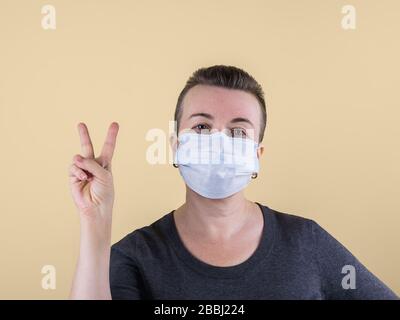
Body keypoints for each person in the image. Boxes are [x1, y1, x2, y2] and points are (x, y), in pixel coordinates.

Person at [68, 65, 398, 299]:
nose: (220, 141)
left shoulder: (305, 241)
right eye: (201, 127)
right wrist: (95, 222)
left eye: (238, 131)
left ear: (258, 155)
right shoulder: (137, 256)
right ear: (176, 145)